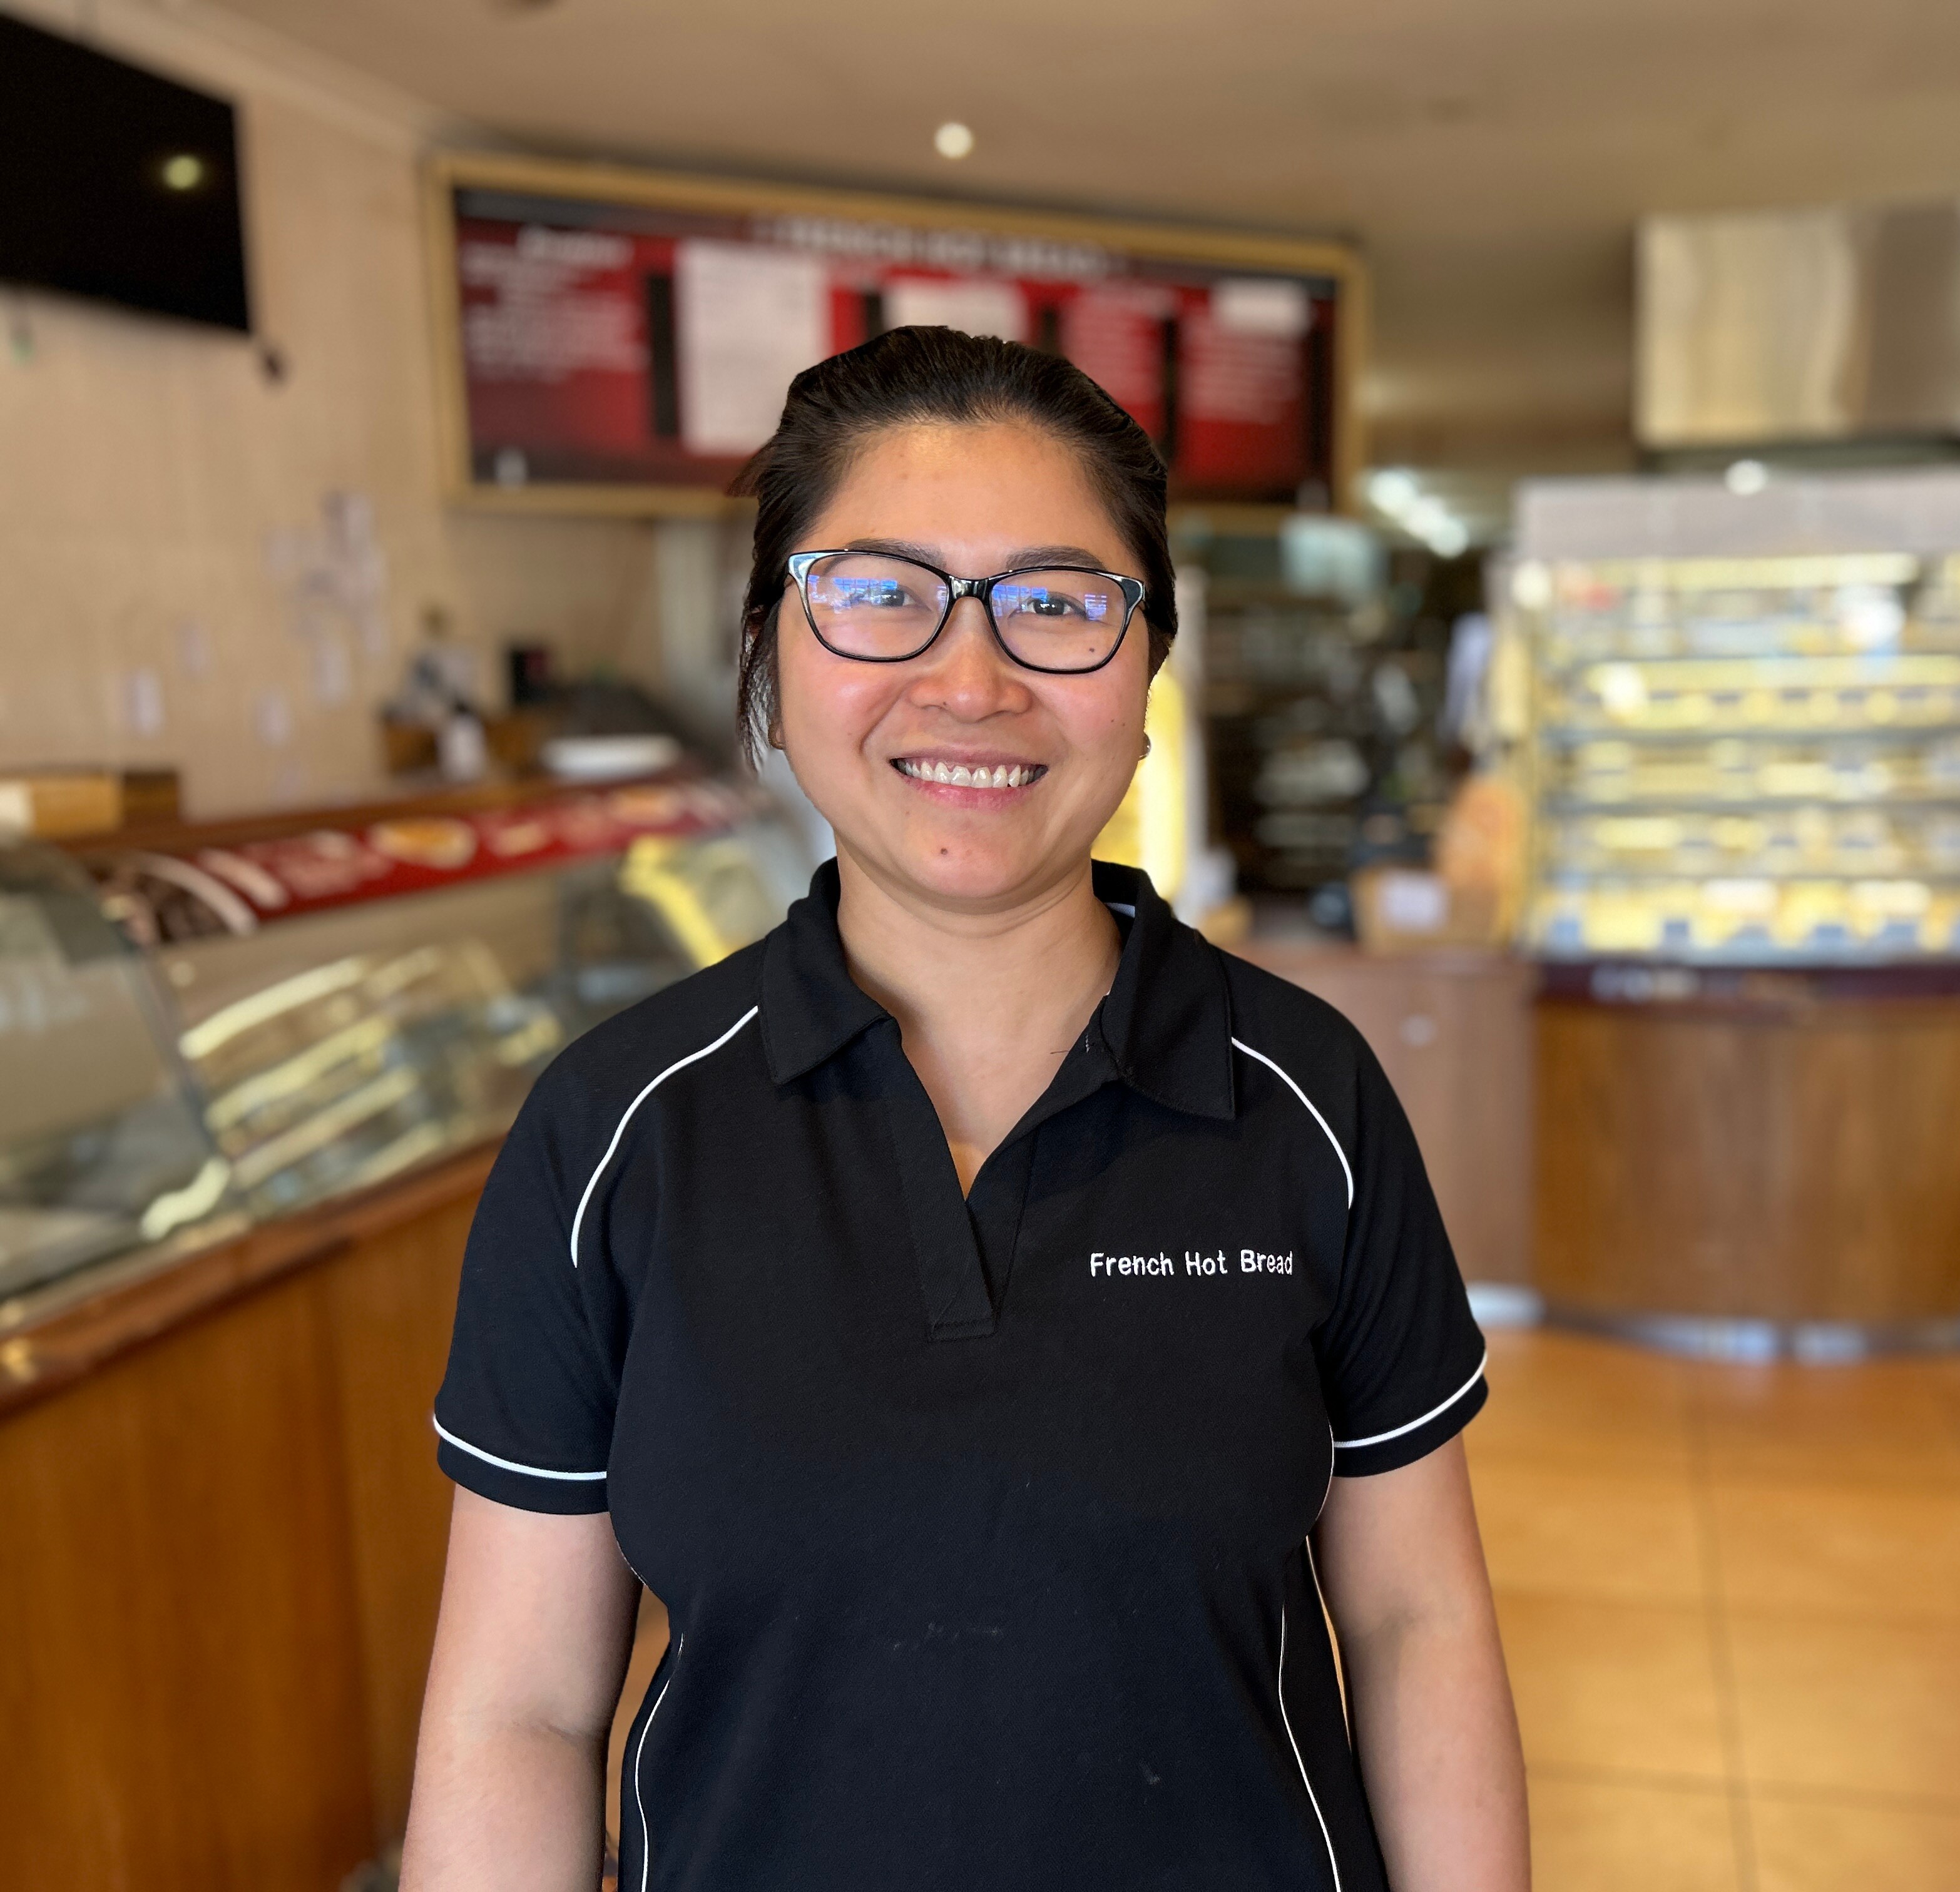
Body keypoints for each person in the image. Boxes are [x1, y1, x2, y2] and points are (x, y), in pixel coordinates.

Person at [402, 327, 1528, 1891]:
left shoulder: (1305, 1098)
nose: (971, 679)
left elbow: (1418, 1623)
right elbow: (519, 1709)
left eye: (1059, 604)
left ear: (1144, 678)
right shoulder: (614, 1134)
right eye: (879, 593)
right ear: (772, 663)